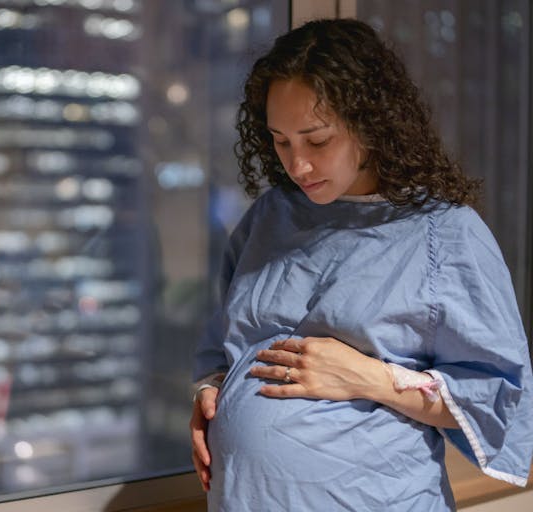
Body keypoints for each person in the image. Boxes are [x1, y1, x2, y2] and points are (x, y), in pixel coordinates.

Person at [190, 18, 533, 511]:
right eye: (281, 141)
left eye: (317, 140)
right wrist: (210, 394)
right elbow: (223, 344)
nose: (297, 165)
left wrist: (368, 377)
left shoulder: (443, 234)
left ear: (370, 124)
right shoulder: (269, 216)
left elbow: (496, 396)